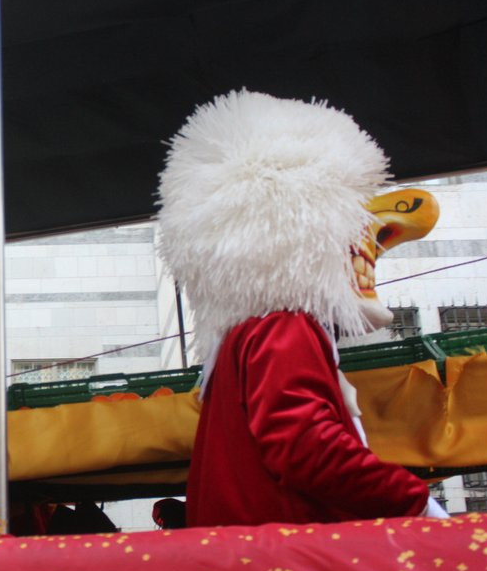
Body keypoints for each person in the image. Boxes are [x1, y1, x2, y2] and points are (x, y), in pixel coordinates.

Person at [155, 90, 445, 527]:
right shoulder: (282, 326)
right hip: (288, 569)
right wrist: (414, 501)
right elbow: (305, 446)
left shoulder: (248, 335)